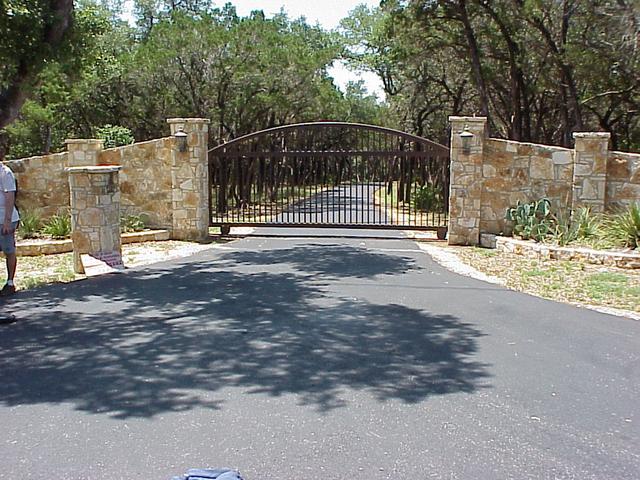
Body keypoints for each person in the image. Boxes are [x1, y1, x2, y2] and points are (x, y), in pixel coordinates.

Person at [0, 162, 19, 296]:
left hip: (5, 219)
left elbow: (10, 196)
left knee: (8, 250)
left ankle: (10, 283)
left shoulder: (5, 173)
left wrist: (7, 220)